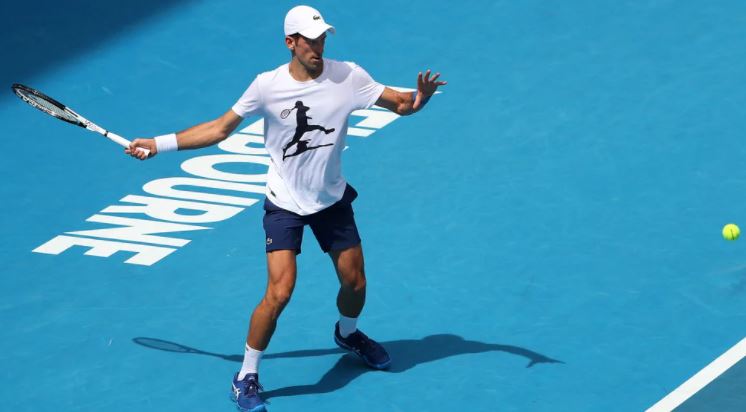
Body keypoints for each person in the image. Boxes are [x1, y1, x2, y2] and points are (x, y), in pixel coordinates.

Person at [126, 5, 446, 411]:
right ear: (290, 43)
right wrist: (158, 143)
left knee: (356, 283)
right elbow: (219, 129)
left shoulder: (349, 76)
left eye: (323, 37)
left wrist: (421, 99)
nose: (319, 46)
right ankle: (246, 374)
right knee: (280, 292)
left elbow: (400, 104)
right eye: (310, 40)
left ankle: (347, 334)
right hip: (285, 205)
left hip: (330, 200)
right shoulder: (266, 86)